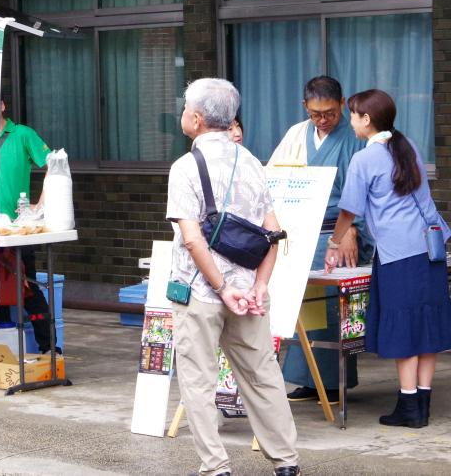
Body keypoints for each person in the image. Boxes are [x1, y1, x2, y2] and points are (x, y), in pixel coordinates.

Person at [168, 78, 299, 476]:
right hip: (249, 293)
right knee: (263, 375)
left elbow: (192, 239)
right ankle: (286, 463)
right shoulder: (253, 162)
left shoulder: (185, 167)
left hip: (199, 293)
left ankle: (216, 467)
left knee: (199, 380)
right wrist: (259, 286)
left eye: (185, 108)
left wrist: (223, 289)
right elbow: (274, 233)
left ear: (195, 118)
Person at [325, 89, 451, 428]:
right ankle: (421, 404)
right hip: (430, 249)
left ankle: (409, 407)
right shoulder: (406, 145)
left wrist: (334, 243)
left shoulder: (365, 159)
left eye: (353, 115)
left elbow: (349, 209)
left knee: (406, 328)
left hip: (398, 256)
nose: (350, 121)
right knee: (426, 328)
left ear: (366, 120)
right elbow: (425, 202)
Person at [268, 76, 373, 402]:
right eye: (316, 114)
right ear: (305, 108)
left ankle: (332, 381)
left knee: (332, 311)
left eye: (330, 112)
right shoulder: (296, 134)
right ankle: (307, 378)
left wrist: (352, 231)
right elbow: (274, 179)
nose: (324, 119)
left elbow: (370, 192)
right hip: (298, 233)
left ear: (342, 104)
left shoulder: (357, 138)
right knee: (301, 310)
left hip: (337, 234)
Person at [0, 92, 56, 353]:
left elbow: (55, 164)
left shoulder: (23, 134)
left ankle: (49, 347)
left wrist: (40, 206)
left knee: (28, 288)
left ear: (3, 105)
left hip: (18, 229)